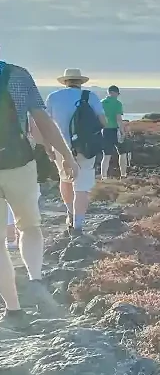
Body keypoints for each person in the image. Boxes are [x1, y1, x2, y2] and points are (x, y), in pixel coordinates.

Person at [0, 60, 77, 322]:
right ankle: (34, 279)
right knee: (29, 226)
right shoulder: (17, 75)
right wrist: (64, 155)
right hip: (19, 162)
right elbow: (42, 121)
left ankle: (13, 309)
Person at [45, 68, 107, 236]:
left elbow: (45, 124)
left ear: (65, 81)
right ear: (80, 82)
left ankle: (70, 214)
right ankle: (78, 225)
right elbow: (103, 121)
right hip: (86, 147)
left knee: (65, 180)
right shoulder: (90, 96)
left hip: (60, 147)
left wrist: (47, 147)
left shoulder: (53, 97)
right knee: (82, 186)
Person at [100, 85, 129, 180]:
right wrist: (122, 131)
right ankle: (123, 174)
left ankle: (104, 177)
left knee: (106, 155)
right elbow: (118, 119)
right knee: (122, 153)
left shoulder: (101, 103)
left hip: (105, 131)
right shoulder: (117, 103)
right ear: (115, 93)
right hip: (115, 130)